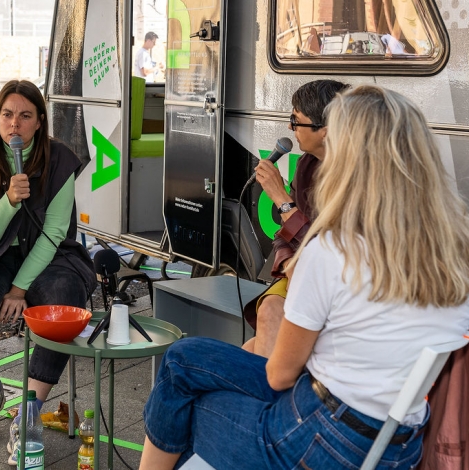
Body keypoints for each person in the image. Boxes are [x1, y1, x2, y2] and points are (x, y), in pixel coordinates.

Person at [139, 85, 469, 469]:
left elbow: (279, 376)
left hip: (319, 438)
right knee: (186, 359)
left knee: (184, 392)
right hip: (399, 446)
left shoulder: (332, 251)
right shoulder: (453, 253)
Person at [0, 80, 97, 465]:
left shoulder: (59, 161)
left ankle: (29, 412)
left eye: (25, 116)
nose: (15, 124)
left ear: (39, 121)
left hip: (46, 253)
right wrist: (9, 201)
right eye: (7, 114)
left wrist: (19, 289)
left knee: (65, 301)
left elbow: (55, 232)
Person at [242, 79, 350, 357]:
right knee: (253, 341)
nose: (290, 129)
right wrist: (288, 262)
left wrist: (280, 198)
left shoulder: (355, 175)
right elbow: (284, 233)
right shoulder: (307, 164)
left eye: (296, 120)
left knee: (264, 327)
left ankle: (277, 384)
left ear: (325, 130)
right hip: (301, 269)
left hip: (337, 279)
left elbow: (329, 249)